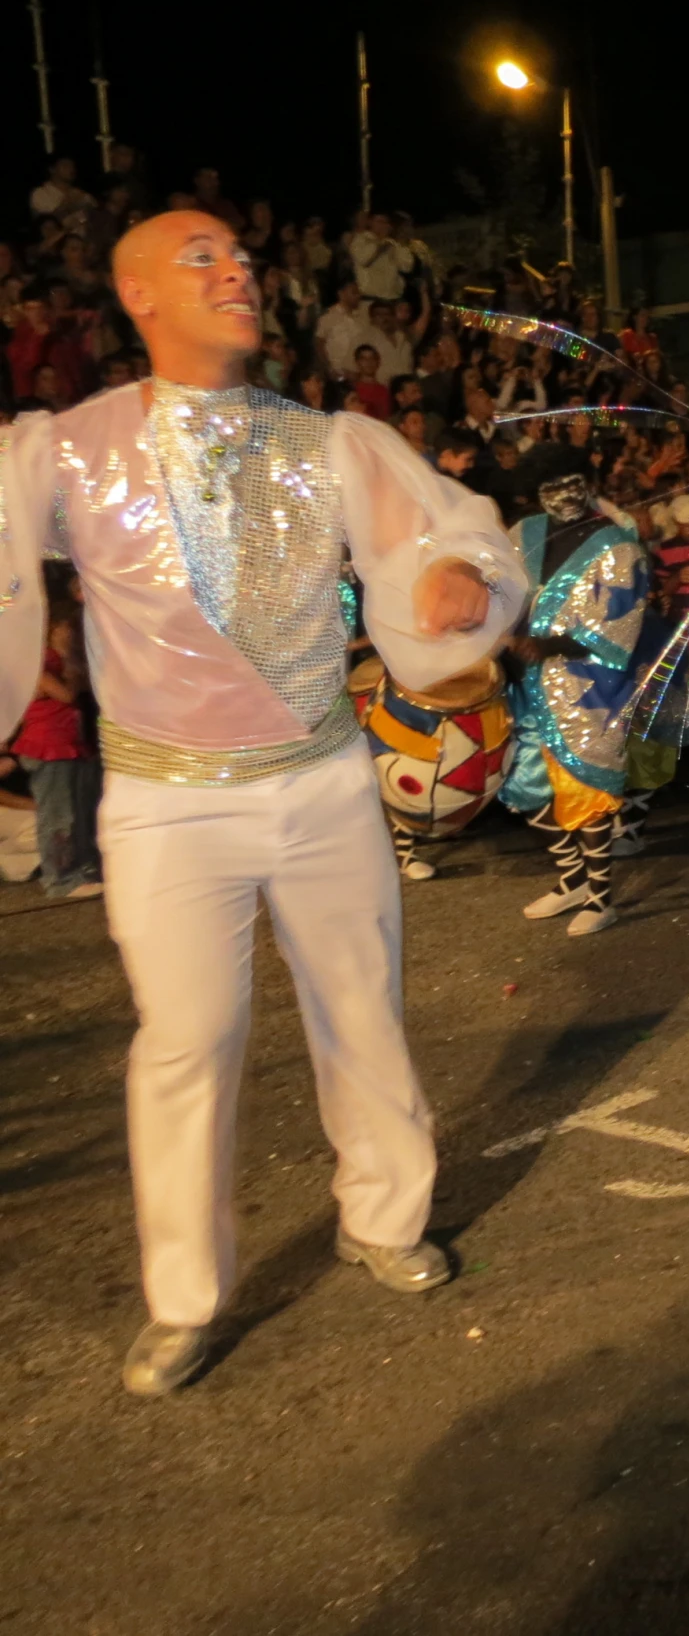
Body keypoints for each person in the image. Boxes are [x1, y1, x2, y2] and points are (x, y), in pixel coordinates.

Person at [0, 210, 526, 1396]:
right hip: (164, 806)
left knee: (363, 1011)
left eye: (239, 256)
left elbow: (441, 537)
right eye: (201, 258)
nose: (235, 269)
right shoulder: (66, 451)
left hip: (323, 786)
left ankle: (386, 1219)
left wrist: (449, 580)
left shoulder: (328, 443)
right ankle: (184, 1297)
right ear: (136, 293)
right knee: (188, 1044)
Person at [497, 466, 650, 934]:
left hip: (587, 686)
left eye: (572, 483)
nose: (564, 495)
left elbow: (619, 623)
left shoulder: (618, 544)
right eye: (553, 485)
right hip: (528, 684)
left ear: (588, 486)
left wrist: (550, 645)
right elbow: (500, 591)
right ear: (538, 493)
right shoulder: (524, 534)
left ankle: (602, 899)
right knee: (523, 791)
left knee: (586, 792)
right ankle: (573, 881)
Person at [10, 564, 102, 900]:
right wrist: (67, 659)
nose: (70, 633)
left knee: (80, 811)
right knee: (59, 815)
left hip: (72, 743)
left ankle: (85, 869)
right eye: (66, 628)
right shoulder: (36, 659)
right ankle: (61, 878)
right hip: (48, 746)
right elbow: (66, 694)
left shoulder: (68, 659)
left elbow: (78, 689)